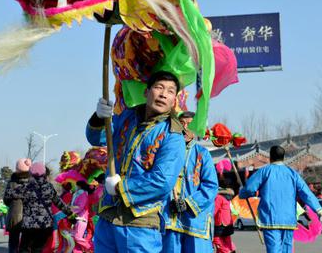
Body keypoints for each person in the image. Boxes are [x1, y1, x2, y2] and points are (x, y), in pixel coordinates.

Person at [86, 70, 186, 253]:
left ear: (174, 101)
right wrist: (99, 117)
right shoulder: (126, 117)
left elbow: (162, 181)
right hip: (108, 215)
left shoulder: (173, 135)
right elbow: (97, 138)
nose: (164, 94)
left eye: (171, 91)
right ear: (146, 92)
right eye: (159, 87)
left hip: (139, 222)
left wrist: (120, 188)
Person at [239, 145, 322, 253]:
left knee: (274, 250)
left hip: (271, 219)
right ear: (283, 157)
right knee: (287, 250)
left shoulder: (264, 171)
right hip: (289, 220)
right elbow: (306, 192)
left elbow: (249, 188)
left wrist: (243, 194)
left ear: (270, 157)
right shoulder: (292, 173)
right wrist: (318, 209)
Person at [162, 111, 218, 252]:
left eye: (190, 125)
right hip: (169, 218)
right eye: (182, 124)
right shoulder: (166, 151)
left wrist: (188, 204)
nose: (185, 128)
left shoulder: (202, 154)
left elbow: (211, 187)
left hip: (195, 221)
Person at [4, 162, 75, 253]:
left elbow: (10, 195)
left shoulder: (25, 186)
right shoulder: (48, 187)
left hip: (29, 225)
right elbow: (59, 203)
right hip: (44, 225)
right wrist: (71, 214)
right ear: (44, 173)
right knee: (38, 249)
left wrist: (15, 182)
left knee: (24, 249)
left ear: (31, 172)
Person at [4, 158, 32, 253]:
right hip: (29, 217)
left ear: (17, 168)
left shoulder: (11, 183)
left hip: (14, 216)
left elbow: (6, 200)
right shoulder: (33, 183)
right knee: (26, 244)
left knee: (13, 243)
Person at [213, 188, 236, 253]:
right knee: (227, 239)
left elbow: (214, 210)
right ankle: (231, 250)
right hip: (228, 222)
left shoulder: (219, 197)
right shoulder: (227, 199)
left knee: (216, 239)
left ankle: (226, 251)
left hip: (220, 223)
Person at [71, 181, 92, 253]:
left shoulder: (82, 194)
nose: (75, 187)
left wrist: (69, 209)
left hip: (81, 219)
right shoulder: (77, 194)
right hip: (76, 219)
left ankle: (91, 247)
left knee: (77, 237)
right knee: (74, 239)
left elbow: (80, 207)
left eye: (76, 185)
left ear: (79, 186)